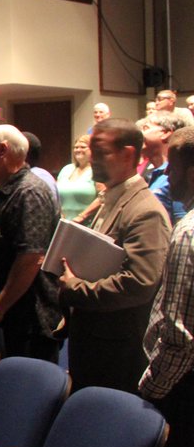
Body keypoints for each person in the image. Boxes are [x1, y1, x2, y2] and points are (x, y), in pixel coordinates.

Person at [56, 119, 170, 392]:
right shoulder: (112, 199)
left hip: (116, 348)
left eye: (101, 152)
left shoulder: (145, 211)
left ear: (128, 154)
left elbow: (139, 283)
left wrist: (76, 288)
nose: (91, 159)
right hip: (95, 339)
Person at [139, 126, 194, 447]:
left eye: (172, 167)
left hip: (186, 388)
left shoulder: (187, 233)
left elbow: (177, 333)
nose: (166, 177)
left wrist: (151, 389)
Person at [0, 124, 62, 359]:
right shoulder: (9, 191)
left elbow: (30, 258)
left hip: (26, 322)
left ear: (3, 150)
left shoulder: (28, 192)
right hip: (10, 320)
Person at [142, 112, 189, 225]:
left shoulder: (177, 176)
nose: (139, 133)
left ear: (165, 133)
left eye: (145, 127)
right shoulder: (154, 174)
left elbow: (182, 221)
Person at [56, 134, 97, 221]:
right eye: (76, 147)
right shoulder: (66, 169)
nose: (78, 150)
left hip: (86, 224)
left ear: (92, 149)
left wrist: (82, 216)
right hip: (64, 222)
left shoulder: (97, 170)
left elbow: (103, 198)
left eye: (82, 147)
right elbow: (55, 194)